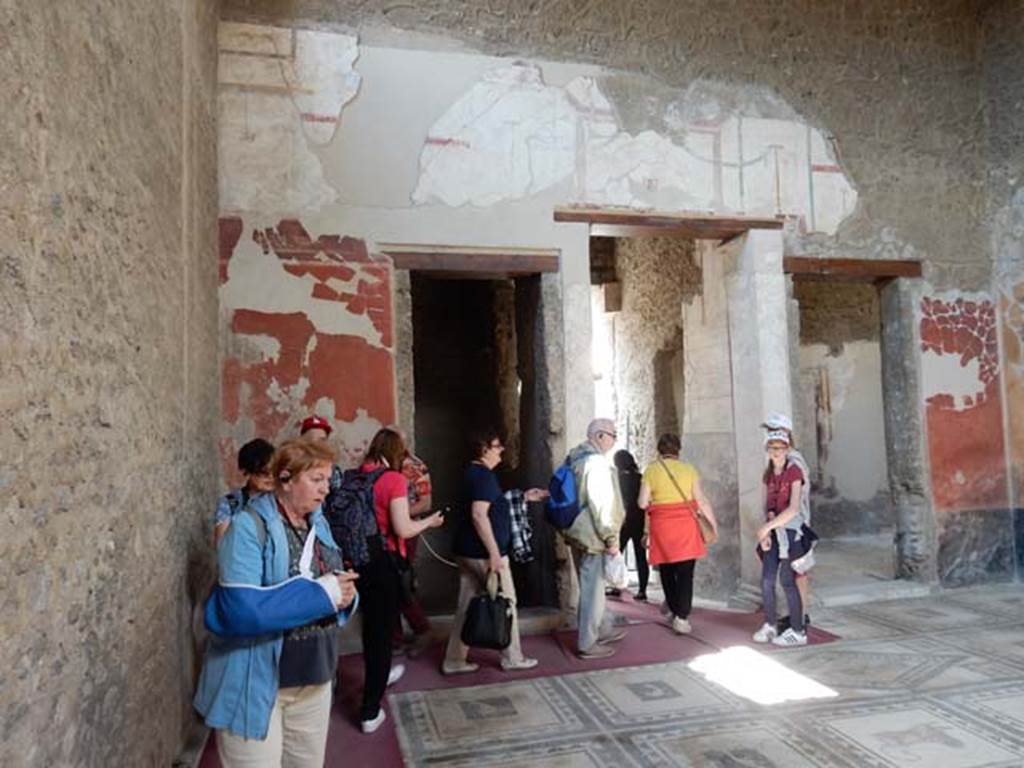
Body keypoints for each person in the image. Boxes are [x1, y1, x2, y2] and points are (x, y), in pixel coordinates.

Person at [194, 439, 359, 767]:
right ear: (286, 478)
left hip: (314, 678)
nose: (326, 489)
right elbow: (241, 611)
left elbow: (331, 576)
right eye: (316, 480)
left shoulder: (318, 523)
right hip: (255, 683)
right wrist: (323, 595)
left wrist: (345, 596)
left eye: (327, 479)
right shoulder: (246, 527)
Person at [354, 428, 444, 733]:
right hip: (386, 558)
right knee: (384, 625)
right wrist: (430, 521)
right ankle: (370, 710)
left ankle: (382, 670)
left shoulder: (356, 475)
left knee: (374, 625)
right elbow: (403, 528)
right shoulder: (392, 478)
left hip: (357, 560)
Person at [443, 428, 547, 674]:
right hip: (482, 553)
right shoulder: (482, 476)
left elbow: (493, 506)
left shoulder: (474, 473)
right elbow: (479, 515)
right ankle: (512, 656)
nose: (501, 450)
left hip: (467, 549)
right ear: (484, 449)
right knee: (506, 600)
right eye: (497, 445)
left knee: (467, 604)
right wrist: (494, 553)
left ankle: (454, 660)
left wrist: (524, 497)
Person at [638, 434, 718, 635]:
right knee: (685, 573)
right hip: (686, 527)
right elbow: (701, 500)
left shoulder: (651, 470)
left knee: (666, 571)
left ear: (659, 450)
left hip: (662, 527)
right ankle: (682, 617)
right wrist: (712, 525)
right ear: (678, 450)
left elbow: (641, 503)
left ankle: (674, 610)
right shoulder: (689, 470)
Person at [562, 418, 626, 660]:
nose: (614, 439)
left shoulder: (574, 458)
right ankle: (587, 644)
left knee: (590, 587)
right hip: (593, 536)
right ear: (599, 436)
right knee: (592, 590)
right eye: (613, 435)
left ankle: (602, 628)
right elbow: (602, 504)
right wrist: (611, 538)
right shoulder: (596, 463)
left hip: (576, 532)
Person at [752, 430, 813, 647]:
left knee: (788, 580)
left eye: (778, 448)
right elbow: (770, 505)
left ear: (787, 449)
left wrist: (767, 527)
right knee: (767, 579)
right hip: (774, 533)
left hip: (790, 533)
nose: (775, 452)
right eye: (771, 448)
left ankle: (798, 631)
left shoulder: (794, 471)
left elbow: (794, 508)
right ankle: (770, 623)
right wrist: (767, 530)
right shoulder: (769, 474)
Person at [393, 449, 433, 655]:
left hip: (405, 530)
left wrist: (396, 513)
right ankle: (396, 638)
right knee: (389, 584)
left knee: (402, 583)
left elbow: (425, 503)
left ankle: (422, 629)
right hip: (385, 532)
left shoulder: (414, 466)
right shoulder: (383, 464)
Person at [213, 438, 275, 545]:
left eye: (274, 472)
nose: (270, 477)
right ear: (247, 471)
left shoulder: (279, 500)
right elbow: (223, 544)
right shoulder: (230, 503)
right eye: (263, 473)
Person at [614, 449, 649, 601]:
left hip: (623, 521)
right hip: (639, 521)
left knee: (616, 554)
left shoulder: (617, 479)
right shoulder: (640, 478)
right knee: (641, 557)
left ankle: (617, 585)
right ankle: (642, 590)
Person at [300, 414, 342, 491]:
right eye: (312, 439)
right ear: (303, 441)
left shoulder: (332, 469)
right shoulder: (293, 464)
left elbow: (337, 496)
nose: (318, 444)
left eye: (322, 440)